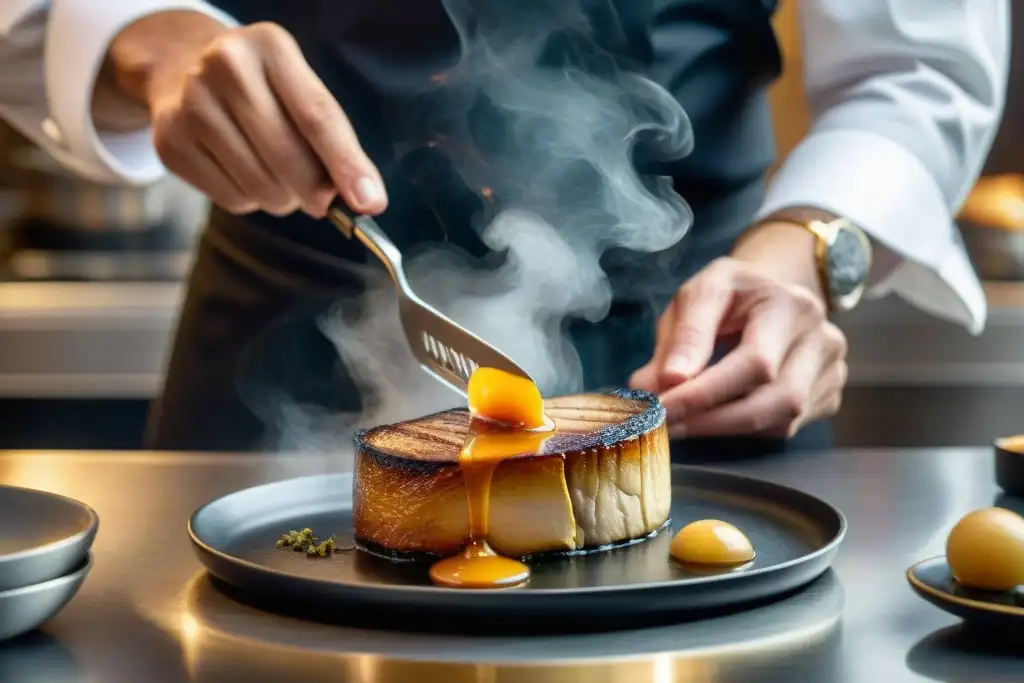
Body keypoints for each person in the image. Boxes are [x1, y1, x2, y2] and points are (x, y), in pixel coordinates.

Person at [0, 1, 1008, 460]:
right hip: (288, 318)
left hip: (713, 350)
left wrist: (805, 248)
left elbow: (912, 66)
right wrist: (141, 33)